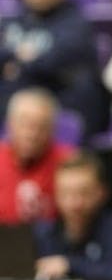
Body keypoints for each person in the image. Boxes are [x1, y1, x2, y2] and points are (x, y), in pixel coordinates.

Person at [0, 0, 105, 136]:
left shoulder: (76, 23)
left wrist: (17, 65)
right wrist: (25, 59)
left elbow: (54, 60)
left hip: (54, 105)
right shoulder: (10, 21)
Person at [33, 151, 112, 280]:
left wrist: (69, 265)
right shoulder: (43, 233)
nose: (75, 204)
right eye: (66, 193)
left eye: (84, 193)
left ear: (101, 193)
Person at [0, 88, 75, 224]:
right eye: (25, 125)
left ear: (53, 130)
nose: (32, 134)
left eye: (41, 126)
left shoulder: (69, 162)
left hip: (53, 242)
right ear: (9, 125)